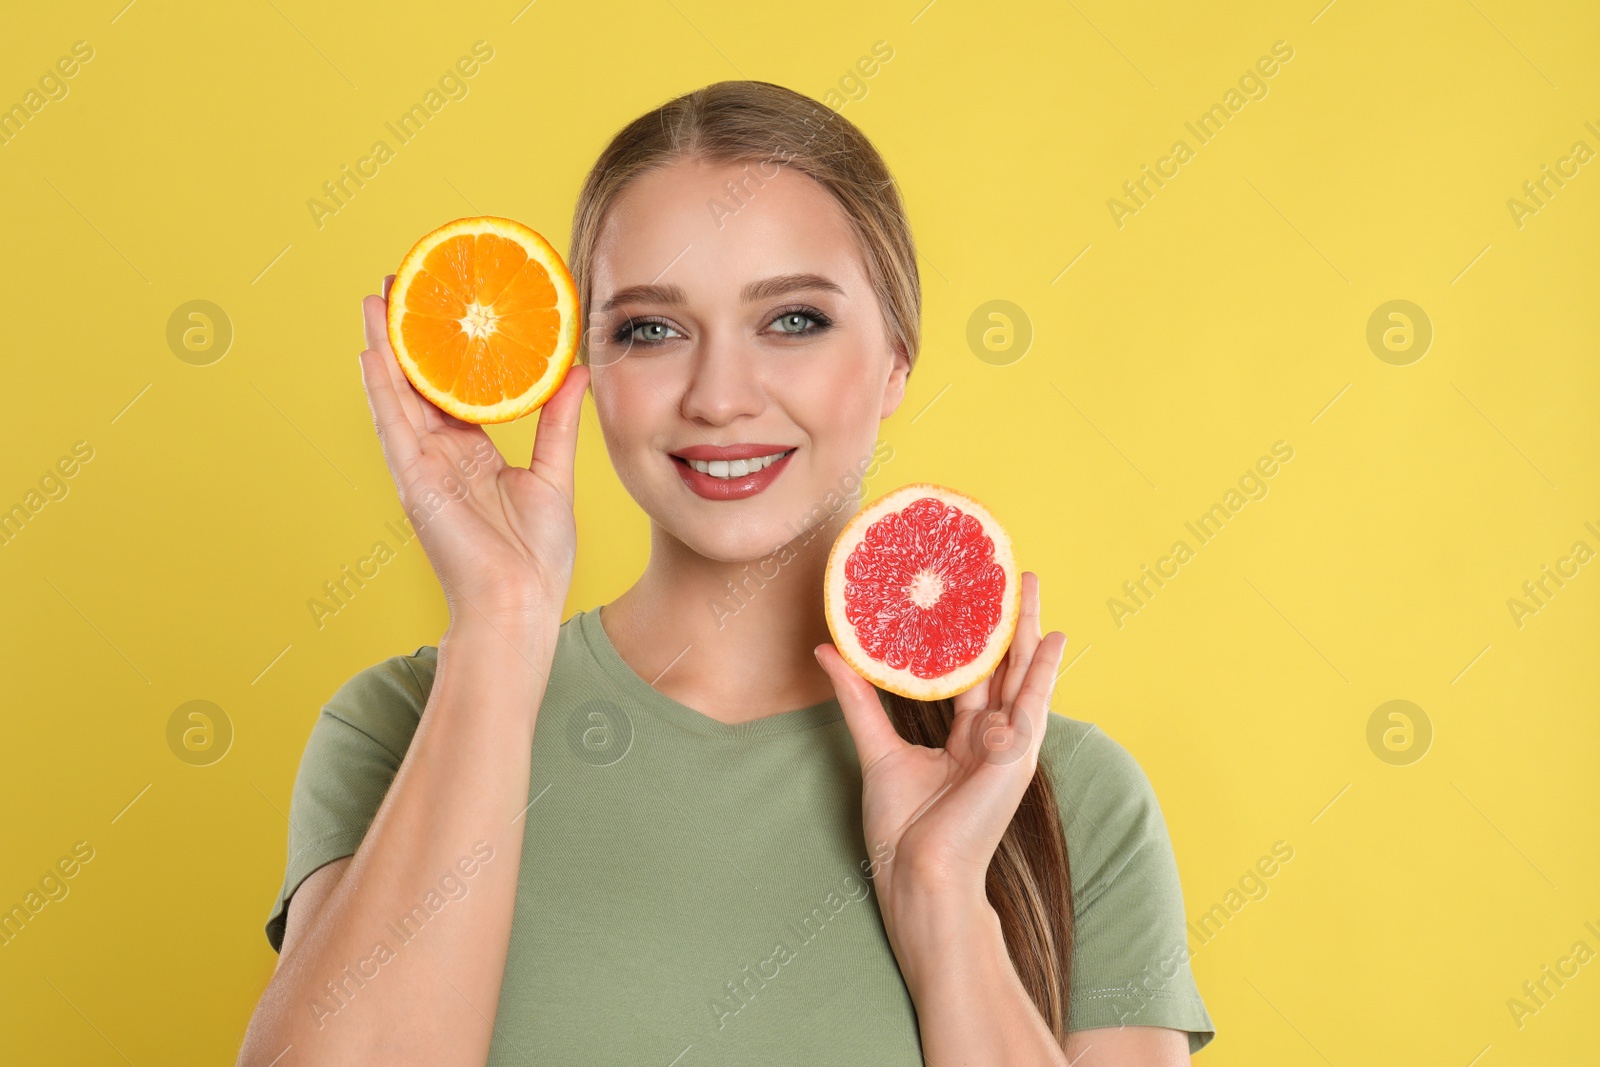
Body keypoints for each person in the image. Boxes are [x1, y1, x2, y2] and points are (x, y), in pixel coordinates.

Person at [238, 79, 1215, 1066]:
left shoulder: (1059, 792)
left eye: (792, 319)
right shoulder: (404, 723)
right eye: (650, 329)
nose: (718, 396)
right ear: (587, 371)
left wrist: (942, 898)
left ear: (895, 362)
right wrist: (499, 619)